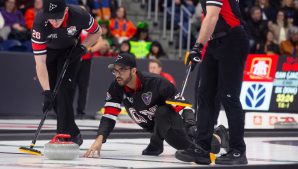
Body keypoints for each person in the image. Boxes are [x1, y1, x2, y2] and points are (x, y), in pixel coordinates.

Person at [84, 53, 228, 158]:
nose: (117, 74)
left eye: (122, 69)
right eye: (115, 70)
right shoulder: (117, 86)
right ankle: (218, 132)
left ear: (133, 71)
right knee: (187, 146)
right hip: (160, 129)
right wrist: (100, 138)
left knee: (163, 112)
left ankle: (156, 144)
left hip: (174, 122)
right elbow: (109, 114)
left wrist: (191, 125)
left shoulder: (158, 83)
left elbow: (183, 106)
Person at [175, 0, 249, 165]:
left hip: (232, 40)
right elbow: (209, 17)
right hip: (215, 41)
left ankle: (238, 151)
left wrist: (197, 46)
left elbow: (213, 16)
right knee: (205, 95)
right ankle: (202, 148)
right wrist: (202, 47)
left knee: (229, 97)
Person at [32, 0, 101, 145]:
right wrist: (46, 92)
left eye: (58, 18)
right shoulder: (39, 22)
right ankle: (74, 133)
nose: (54, 22)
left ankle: (63, 135)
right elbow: (40, 63)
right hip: (49, 53)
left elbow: (97, 32)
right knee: (53, 95)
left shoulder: (79, 14)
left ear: (65, 11)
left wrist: (83, 47)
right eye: (51, 18)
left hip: (71, 51)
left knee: (62, 89)